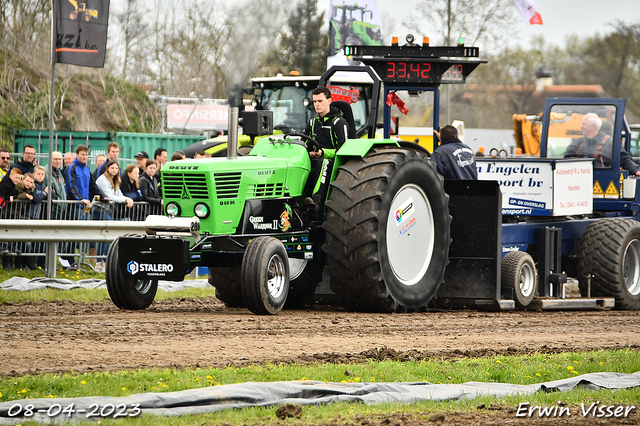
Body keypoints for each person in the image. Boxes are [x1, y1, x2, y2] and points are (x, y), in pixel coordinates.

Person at [302, 86, 349, 211]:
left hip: (333, 163)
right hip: (315, 159)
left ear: (329, 101)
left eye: (320, 101)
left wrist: (323, 153)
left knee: (324, 162)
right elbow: (303, 142)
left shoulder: (339, 123)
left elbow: (344, 151)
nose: (317, 105)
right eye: (315, 102)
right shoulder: (312, 123)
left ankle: (316, 202)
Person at [564, 113, 640, 174]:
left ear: (593, 126)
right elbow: (566, 160)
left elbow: (625, 160)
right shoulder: (577, 143)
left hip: (603, 181)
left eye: (584, 124)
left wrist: (636, 170)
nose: (581, 127)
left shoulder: (611, 143)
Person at [92, 160, 133, 272]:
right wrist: (125, 199)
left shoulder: (115, 180)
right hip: (99, 209)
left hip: (109, 209)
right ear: (107, 168)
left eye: (116, 168)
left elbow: (118, 194)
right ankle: (100, 261)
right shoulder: (102, 180)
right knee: (105, 235)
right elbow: (110, 197)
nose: (114, 170)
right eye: (112, 168)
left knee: (107, 236)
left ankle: (104, 261)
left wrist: (126, 199)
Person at [46, 151, 67, 219]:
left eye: (59, 159)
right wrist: (57, 200)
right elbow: (49, 190)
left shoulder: (59, 172)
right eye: (55, 159)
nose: (58, 161)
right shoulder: (47, 172)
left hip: (60, 208)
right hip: (53, 209)